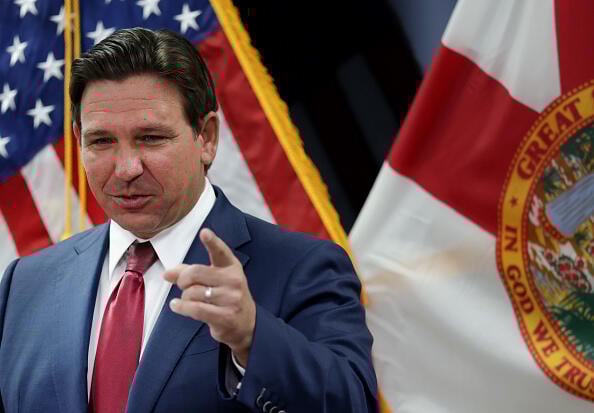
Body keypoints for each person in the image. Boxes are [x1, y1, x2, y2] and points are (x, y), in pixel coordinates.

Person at [0, 28, 377, 413]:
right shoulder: (24, 285)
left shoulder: (303, 267)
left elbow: (351, 404)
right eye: (101, 141)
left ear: (206, 138)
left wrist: (252, 338)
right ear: (79, 139)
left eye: (151, 137)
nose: (126, 168)